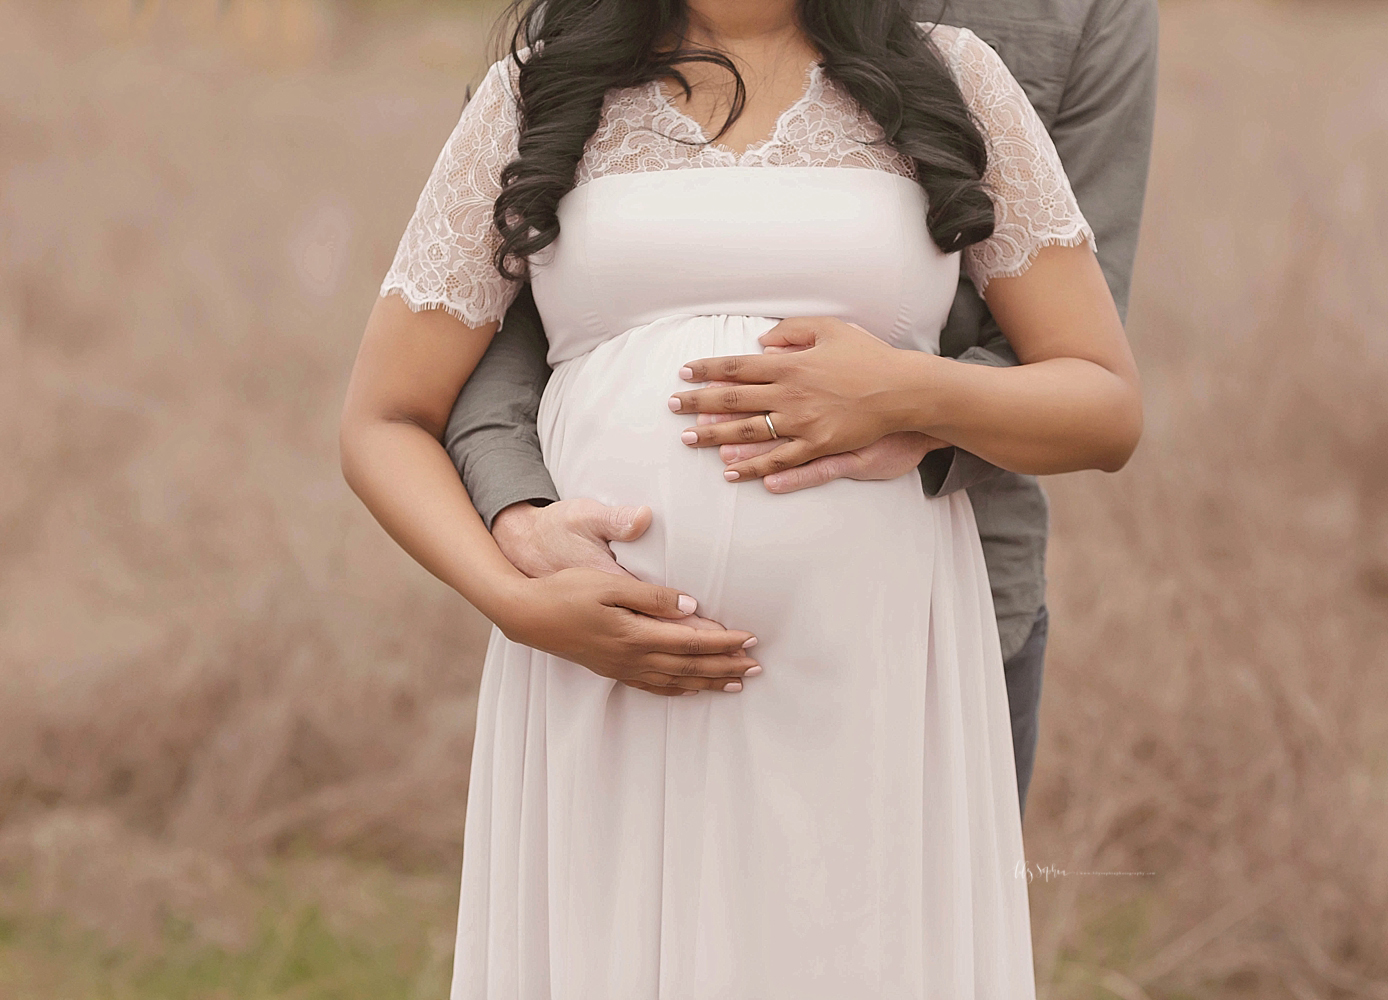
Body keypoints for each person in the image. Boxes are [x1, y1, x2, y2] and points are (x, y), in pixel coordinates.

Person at [340, 0, 1143, 995]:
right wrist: (514, 600)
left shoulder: (954, 80)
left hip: (872, 664)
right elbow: (384, 419)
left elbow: (1104, 405)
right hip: (603, 671)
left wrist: (910, 391)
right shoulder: (542, 92)